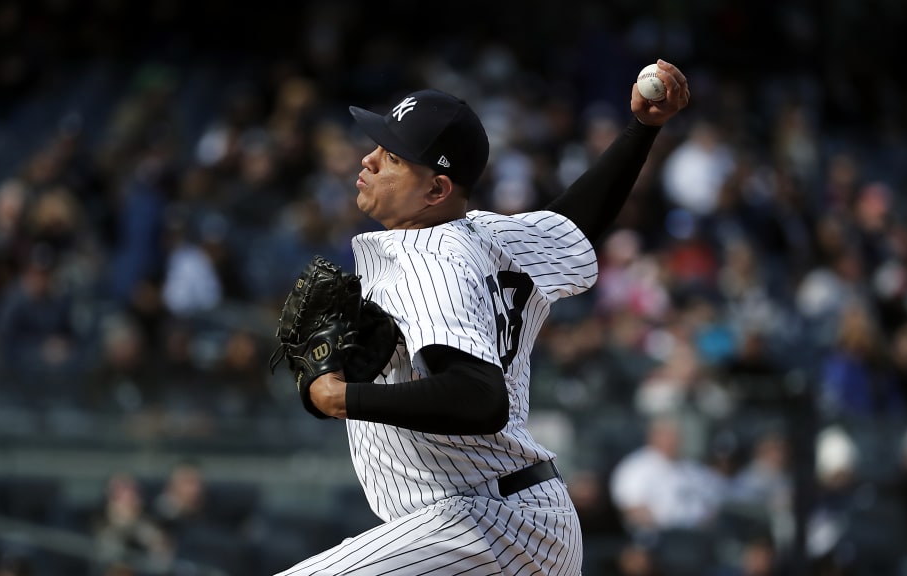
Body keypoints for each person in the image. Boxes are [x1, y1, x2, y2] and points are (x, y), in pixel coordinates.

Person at [275, 59, 689, 575]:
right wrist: (642, 129)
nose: (370, 158)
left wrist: (341, 397)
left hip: (484, 524)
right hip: (519, 521)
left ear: (436, 191)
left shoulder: (426, 258)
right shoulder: (487, 233)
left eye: (393, 157)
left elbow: (480, 396)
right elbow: (574, 223)